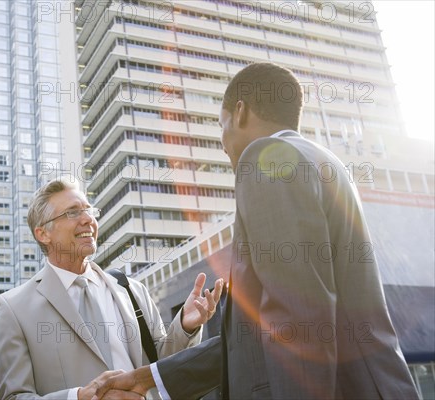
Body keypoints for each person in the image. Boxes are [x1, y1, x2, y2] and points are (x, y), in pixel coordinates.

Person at [94, 63, 419, 399]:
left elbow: (298, 321)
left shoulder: (267, 157)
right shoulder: (325, 162)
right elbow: (257, 340)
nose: (222, 142)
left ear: (241, 112)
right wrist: (148, 378)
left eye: (221, 126)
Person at [0, 177, 223, 400]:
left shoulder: (131, 289)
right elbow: (13, 397)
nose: (87, 220)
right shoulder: (14, 308)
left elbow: (160, 365)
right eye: (73, 212)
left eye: (89, 211)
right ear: (43, 233)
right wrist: (78, 398)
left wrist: (185, 326)